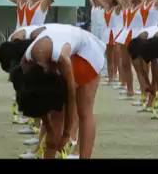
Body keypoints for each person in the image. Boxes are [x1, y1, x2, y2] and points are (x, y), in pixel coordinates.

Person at [12, 24, 106, 159]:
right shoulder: (25, 65)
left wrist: (67, 133)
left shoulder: (62, 59)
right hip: (58, 52)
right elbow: (39, 102)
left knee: (84, 111)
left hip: (86, 53)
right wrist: (48, 127)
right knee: (55, 117)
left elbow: (71, 95)